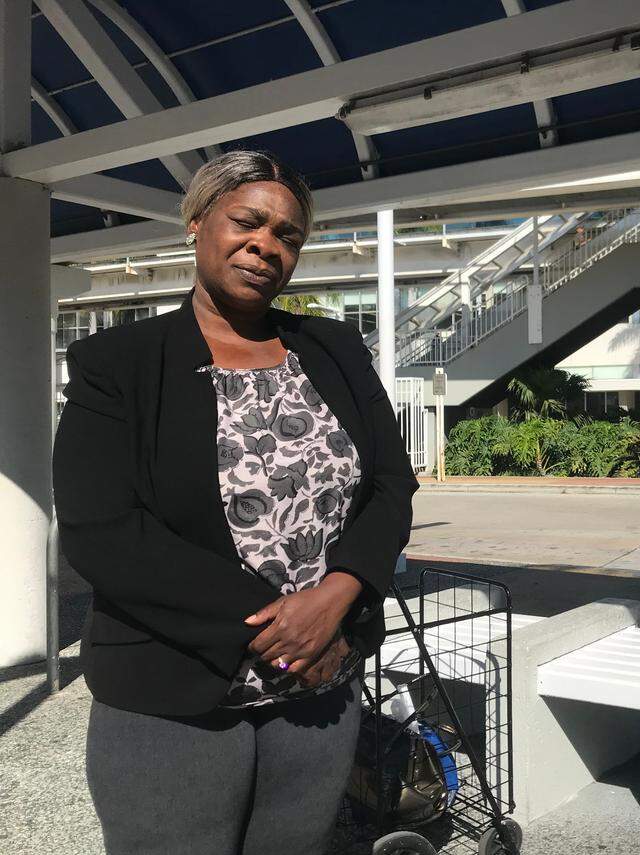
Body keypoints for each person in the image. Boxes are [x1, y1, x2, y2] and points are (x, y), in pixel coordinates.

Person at [53, 150, 419, 855]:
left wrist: (336, 596)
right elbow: (105, 532)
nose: (266, 246)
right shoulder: (120, 363)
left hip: (320, 684)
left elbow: (389, 485)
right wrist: (283, 629)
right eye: (247, 222)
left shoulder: (335, 348)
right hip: (175, 692)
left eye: (287, 236)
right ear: (196, 222)